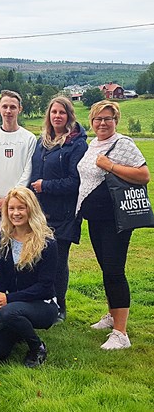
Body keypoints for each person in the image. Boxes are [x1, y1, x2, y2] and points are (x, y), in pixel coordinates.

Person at [76, 100, 150, 350]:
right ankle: (112, 314)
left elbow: (143, 175)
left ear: (116, 121)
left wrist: (111, 166)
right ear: (92, 121)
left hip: (115, 220)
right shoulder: (93, 144)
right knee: (106, 269)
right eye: (98, 119)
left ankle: (121, 333)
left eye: (108, 119)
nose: (102, 123)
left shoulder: (123, 144)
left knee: (115, 271)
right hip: (96, 219)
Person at [29, 96, 88, 322]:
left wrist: (46, 186)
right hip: (40, 212)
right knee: (38, 257)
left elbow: (76, 181)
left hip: (64, 213)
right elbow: (35, 173)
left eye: (62, 113)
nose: (57, 116)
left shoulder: (77, 143)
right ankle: (42, 301)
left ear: (69, 116)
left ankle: (60, 305)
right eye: (54, 112)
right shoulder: (41, 141)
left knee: (58, 260)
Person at [0, 187, 58, 368]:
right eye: (11, 208)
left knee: (9, 312)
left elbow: (45, 287)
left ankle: (36, 346)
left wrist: (8, 299)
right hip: (13, 304)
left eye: (21, 208)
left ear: (31, 209)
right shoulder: (4, 238)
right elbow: (1, 276)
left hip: (43, 304)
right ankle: (18, 328)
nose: (16, 213)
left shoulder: (47, 243)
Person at [0, 90, 36, 210]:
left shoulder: (29, 138)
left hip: (20, 203)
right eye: (5, 106)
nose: (8, 111)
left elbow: (28, 172)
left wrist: (11, 199)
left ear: (20, 109)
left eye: (13, 107)